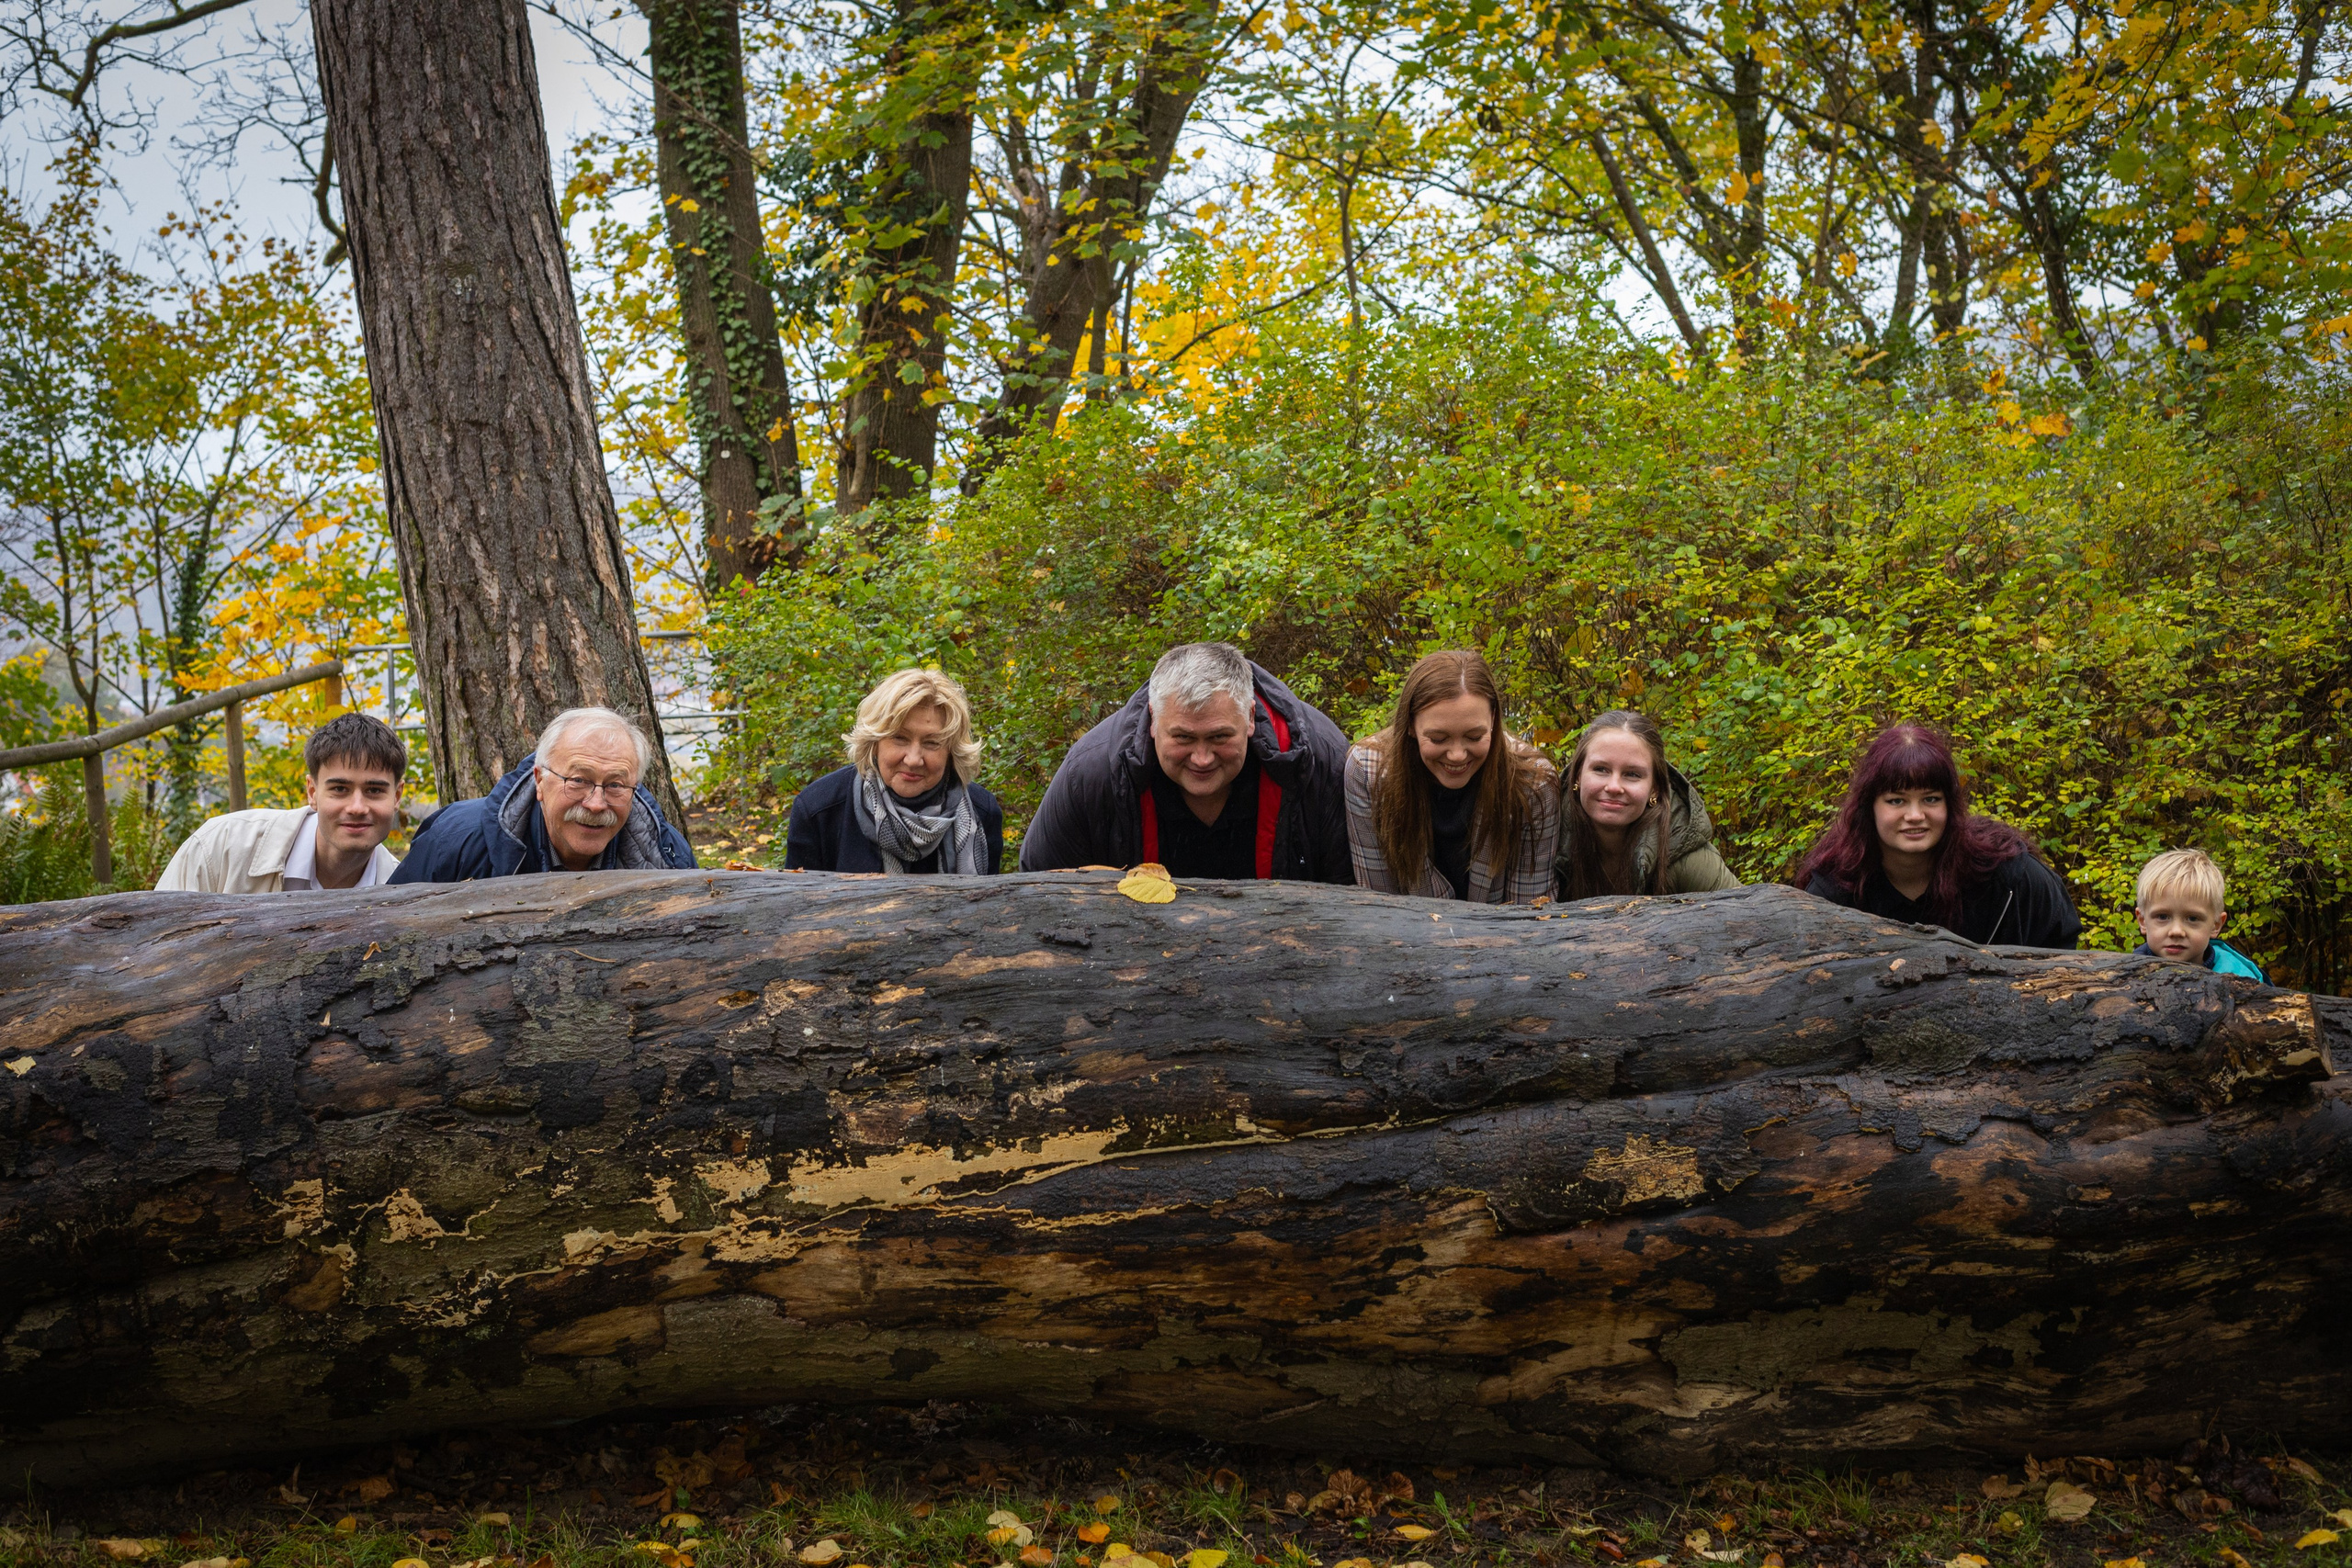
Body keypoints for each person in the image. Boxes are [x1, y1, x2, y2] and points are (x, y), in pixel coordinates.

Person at [1018, 641, 1351, 882]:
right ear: (1153, 721)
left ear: (1250, 718)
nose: (1202, 758)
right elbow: (1038, 890)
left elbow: (1355, 899)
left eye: (1220, 737)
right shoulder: (1091, 774)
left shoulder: (1318, 760)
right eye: (1183, 738)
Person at [1797, 721, 2079, 948]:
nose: (1916, 815)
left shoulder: (2009, 879)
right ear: (1869, 807)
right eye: (1897, 800)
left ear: (1950, 805)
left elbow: (2063, 943)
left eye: (1931, 799)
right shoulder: (1834, 891)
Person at [1344, 649, 1558, 902]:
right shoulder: (1367, 772)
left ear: (1493, 719)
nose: (1457, 755)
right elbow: (1381, 904)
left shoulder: (1533, 782)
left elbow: (1532, 912)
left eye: (1474, 737)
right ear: (1411, 725)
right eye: (1438, 738)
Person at [390, 706, 694, 881]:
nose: (597, 804)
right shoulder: (456, 841)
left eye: (615, 785)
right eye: (578, 780)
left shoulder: (666, 856)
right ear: (539, 781)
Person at [785, 668, 1004, 874]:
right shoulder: (819, 810)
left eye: (932, 743)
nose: (913, 759)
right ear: (874, 741)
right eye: (900, 738)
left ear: (951, 751)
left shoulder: (982, 812)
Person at [155, 713, 407, 892]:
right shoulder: (220, 849)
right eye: (340, 789)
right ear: (312, 792)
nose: (357, 807)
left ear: (396, 797)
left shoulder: (402, 887)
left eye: (374, 790)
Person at [1554, 709, 1739, 898]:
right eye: (1601, 769)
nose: (1614, 787)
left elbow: (1747, 914)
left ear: (1655, 789)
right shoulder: (1546, 834)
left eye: (1632, 774)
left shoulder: (1682, 850)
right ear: (1577, 776)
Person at [2132, 847, 2265, 981]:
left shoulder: (2239, 979)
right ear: (2142, 920)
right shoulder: (2127, 974)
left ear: (2215, 925)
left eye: (2193, 918)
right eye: (2162, 917)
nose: (2177, 931)